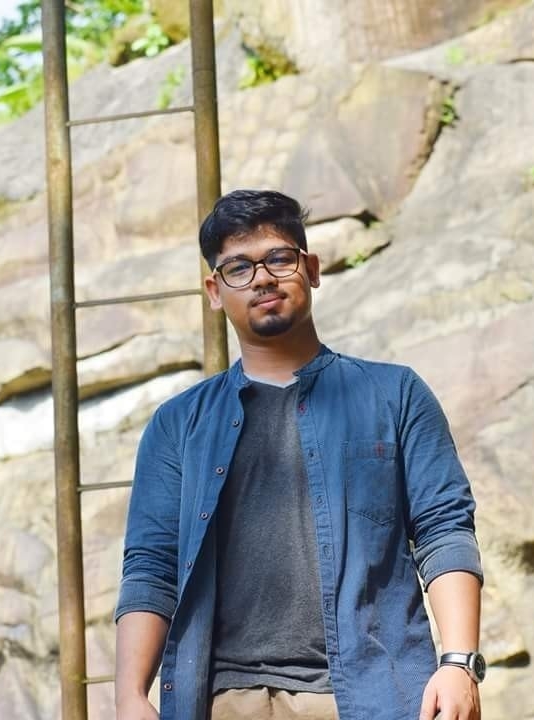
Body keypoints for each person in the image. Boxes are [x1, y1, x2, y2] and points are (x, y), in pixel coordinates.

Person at [114, 189, 485, 720]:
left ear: (310, 269)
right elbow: (151, 566)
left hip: (369, 695)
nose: (262, 278)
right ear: (215, 291)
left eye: (278, 259)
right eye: (238, 267)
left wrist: (459, 663)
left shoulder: (396, 394)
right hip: (223, 702)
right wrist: (130, 695)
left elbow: (444, 529)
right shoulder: (178, 426)